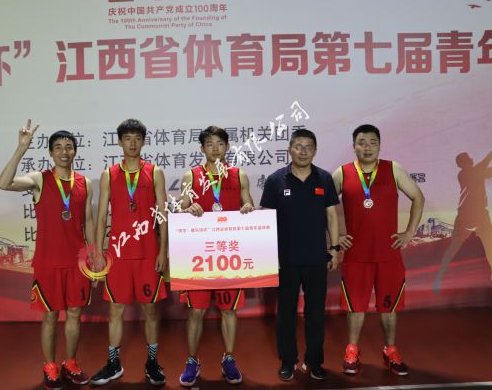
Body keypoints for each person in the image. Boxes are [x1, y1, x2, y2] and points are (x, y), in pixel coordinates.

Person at [0, 120, 95, 389]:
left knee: (74, 314)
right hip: (48, 263)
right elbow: (4, 183)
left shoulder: (85, 183)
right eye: (58, 147)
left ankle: (70, 362)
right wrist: (21, 149)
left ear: (75, 151)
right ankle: (50, 366)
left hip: (77, 263)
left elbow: (88, 222)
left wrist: (93, 257)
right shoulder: (40, 180)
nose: (64, 151)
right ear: (51, 152)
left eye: (69, 146)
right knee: (50, 316)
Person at [332, 124, 425, 376]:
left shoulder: (393, 169)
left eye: (373, 142)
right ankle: (352, 350)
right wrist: (336, 236)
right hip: (356, 256)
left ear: (380, 145)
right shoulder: (342, 173)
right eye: (362, 142)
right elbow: (322, 205)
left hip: (388, 254)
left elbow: (418, 197)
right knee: (356, 308)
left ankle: (390, 350)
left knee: (389, 308)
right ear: (354, 146)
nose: (367, 147)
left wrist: (409, 232)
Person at [91, 118, 169, 386]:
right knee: (115, 310)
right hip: (118, 255)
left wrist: (163, 251)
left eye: (137, 138)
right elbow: (102, 216)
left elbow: (162, 215)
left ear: (143, 141)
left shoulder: (155, 172)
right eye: (127, 138)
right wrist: (98, 252)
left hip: (148, 253)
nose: (132, 143)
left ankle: (152, 362)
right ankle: (113, 363)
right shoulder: (109, 174)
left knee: (151, 310)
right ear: (120, 142)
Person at [260, 129, 339, 382]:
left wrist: (334, 248)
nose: (303, 151)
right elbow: (265, 219)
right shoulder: (275, 180)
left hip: (317, 259)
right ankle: (288, 361)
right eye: (298, 146)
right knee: (286, 314)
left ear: (315, 151)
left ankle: (314, 361)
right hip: (285, 260)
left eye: (308, 147)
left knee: (315, 314)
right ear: (289, 149)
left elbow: (331, 216)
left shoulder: (324, 178)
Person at [178, 126, 255, 387]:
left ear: (227, 147)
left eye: (220, 143)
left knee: (229, 310)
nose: (215, 148)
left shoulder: (239, 175)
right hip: (198, 256)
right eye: (209, 144)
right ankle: (192, 361)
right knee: (196, 311)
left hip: (228, 253)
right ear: (202, 148)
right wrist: (188, 209)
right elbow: (179, 211)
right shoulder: (190, 176)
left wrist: (248, 207)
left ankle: (229, 359)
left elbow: (248, 204)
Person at [433, 151, 492, 292]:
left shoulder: (473, 173)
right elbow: (484, 164)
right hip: (472, 214)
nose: (471, 159)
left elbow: (485, 170)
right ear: (464, 163)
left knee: (457, 247)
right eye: (468, 158)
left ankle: (438, 278)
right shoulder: (467, 174)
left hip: (470, 214)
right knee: (456, 248)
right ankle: (439, 278)